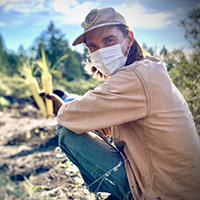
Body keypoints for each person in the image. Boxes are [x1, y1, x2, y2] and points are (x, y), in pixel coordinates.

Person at [47, 7, 200, 200]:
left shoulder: (135, 77)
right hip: (183, 185)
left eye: (109, 40)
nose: (101, 51)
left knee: (66, 131)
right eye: (93, 47)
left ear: (129, 39)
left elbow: (66, 116)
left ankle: (123, 195)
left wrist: (78, 111)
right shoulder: (148, 69)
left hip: (167, 191)